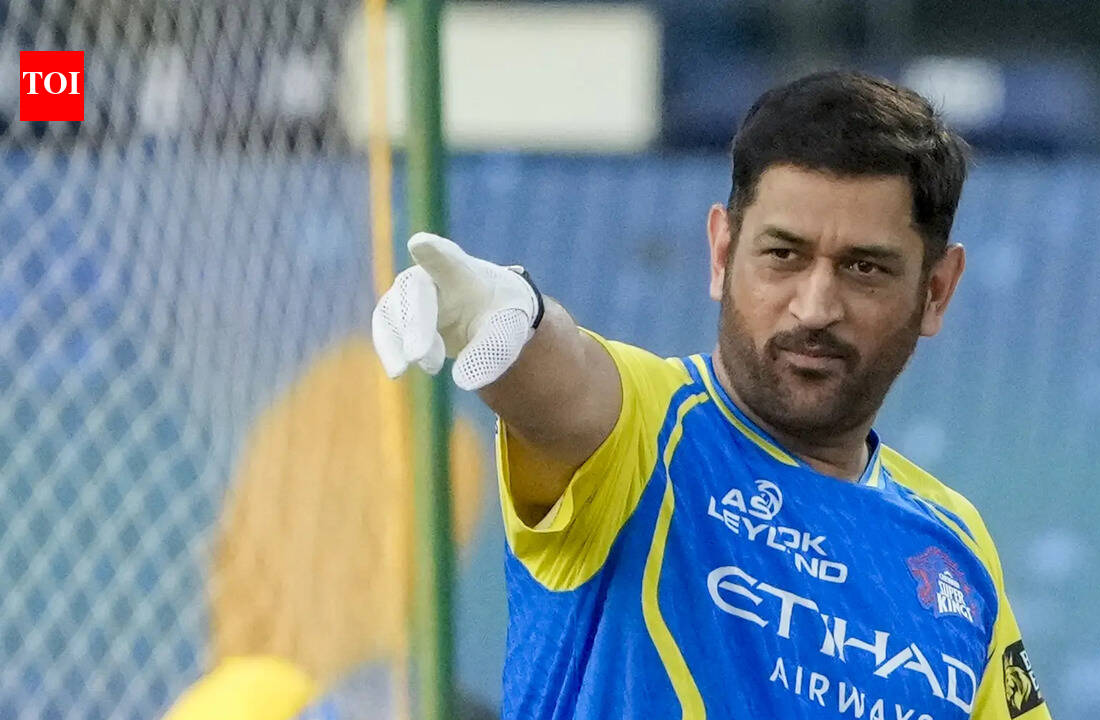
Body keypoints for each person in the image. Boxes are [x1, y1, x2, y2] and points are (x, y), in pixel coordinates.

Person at [372, 70, 1051, 720]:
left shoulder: (955, 544)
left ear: (936, 291)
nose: (815, 307)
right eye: (783, 255)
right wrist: (512, 315)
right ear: (722, 253)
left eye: (864, 268)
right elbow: (568, 385)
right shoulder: (650, 427)